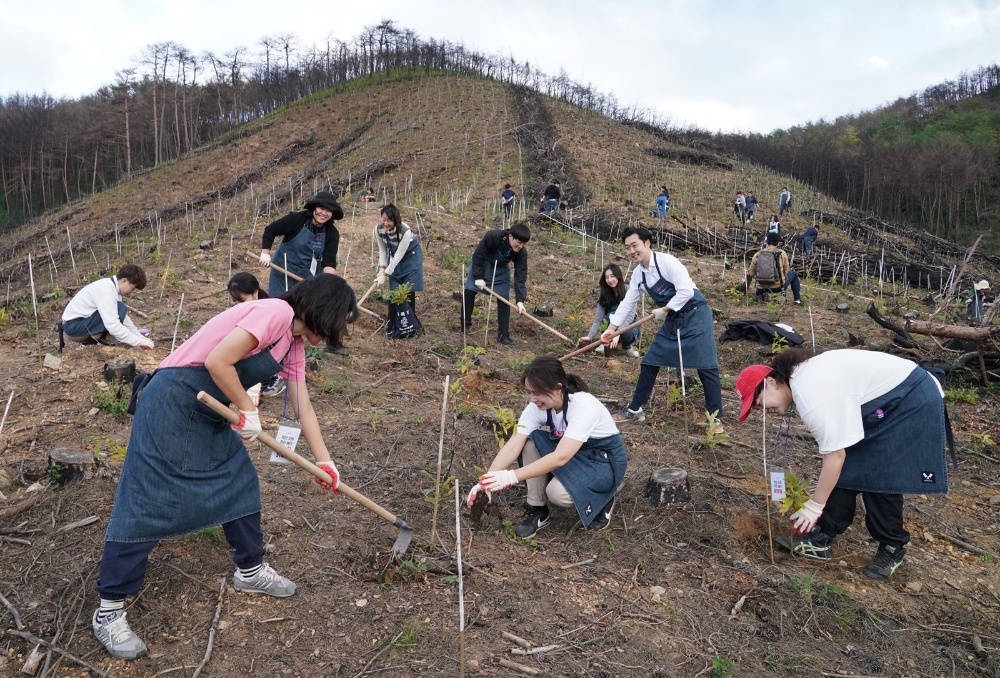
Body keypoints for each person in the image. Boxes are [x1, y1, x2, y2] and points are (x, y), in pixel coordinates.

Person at [91, 274, 358, 660]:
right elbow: (218, 360)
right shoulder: (274, 313)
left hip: (208, 413)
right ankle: (109, 610)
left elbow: (303, 405)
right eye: (340, 321)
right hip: (171, 401)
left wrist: (324, 461)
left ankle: (249, 570)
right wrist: (248, 410)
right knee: (146, 502)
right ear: (324, 310)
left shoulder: (293, 343)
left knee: (239, 482)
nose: (339, 331)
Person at [735, 348, 948, 580]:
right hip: (885, 402)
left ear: (772, 382)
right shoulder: (801, 381)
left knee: (879, 472)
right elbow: (839, 454)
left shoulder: (809, 393)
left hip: (910, 396)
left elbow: (835, 457)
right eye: (756, 410)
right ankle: (823, 536)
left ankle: (892, 547)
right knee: (853, 460)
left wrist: (814, 506)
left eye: (758, 402)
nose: (763, 411)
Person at [467, 355, 627, 538]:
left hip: (600, 460)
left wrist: (510, 476)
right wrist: (487, 481)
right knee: (529, 443)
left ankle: (604, 496)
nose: (533, 398)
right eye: (528, 392)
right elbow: (513, 444)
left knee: (557, 493)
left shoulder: (584, 405)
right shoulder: (536, 407)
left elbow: (561, 457)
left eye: (538, 392)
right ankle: (538, 509)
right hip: (572, 453)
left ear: (558, 387)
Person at [603, 226, 723, 430]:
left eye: (635, 245)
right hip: (673, 319)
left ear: (647, 243)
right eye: (627, 247)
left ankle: (715, 420)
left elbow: (685, 290)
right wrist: (612, 328)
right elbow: (627, 303)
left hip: (695, 313)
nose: (631, 251)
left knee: (706, 366)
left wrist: (665, 309)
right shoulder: (638, 275)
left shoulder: (667, 262)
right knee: (650, 361)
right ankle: (634, 410)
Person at [258, 191, 344, 298]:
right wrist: (265, 253)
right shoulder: (297, 219)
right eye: (321, 209)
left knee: (303, 309)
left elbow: (329, 262)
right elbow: (271, 230)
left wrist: (328, 281)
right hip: (283, 270)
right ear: (314, 208)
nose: (324, 213)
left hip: (308, 277)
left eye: (328, 211)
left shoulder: (332, 233)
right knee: (280, 304)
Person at [461, 223, 531, 346]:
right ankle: (464, 325)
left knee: (504, 299)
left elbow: (520, 276)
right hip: (482, 266)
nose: (520, 246)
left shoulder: (521, 252)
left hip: (500, 271)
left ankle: (503, 335)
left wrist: (520, 301)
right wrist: (478, 277)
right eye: (518, 242)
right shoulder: (493, 236)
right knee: (469, 291)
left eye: (523, 244)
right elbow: (478, 255)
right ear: (511, 236)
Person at [59, 264, 153, 352]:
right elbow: (113, 325)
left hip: (78, 324)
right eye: (132, 288)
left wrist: (142, 339)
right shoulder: (107, 290)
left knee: (119, 314)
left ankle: (95, 340)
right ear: (124, 280)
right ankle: (90, 343)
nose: (131, 292)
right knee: (119, 311)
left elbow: (125, 320)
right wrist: (138, 342)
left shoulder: (112, 288)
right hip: (73, 327)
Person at [375, 203, 424, 324]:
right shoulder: (378, 229)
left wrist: (385, 274)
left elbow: (398, 256)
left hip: (410, 256)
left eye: (390, 220)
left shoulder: (405, 231)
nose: (386, 223)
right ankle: (392, 321)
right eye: (384, 219)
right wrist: (382, 269)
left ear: (396, 220)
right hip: (395, 255)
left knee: (408, 288)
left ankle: (409, 320)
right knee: (394, 289)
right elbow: (382, 249)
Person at [578, 263, 640, 358]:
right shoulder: (604, 294)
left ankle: (627, 346)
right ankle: (605, 343)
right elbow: (599, 319)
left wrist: (617, 333)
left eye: (612, 276)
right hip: (609, 326)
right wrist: (589, 337)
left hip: (629, 325)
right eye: (607, 277)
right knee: (609, 316)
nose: (610, 280)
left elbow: (630, 315)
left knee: (627, 335)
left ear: (618, 276)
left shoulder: (629, 290)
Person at [748, 233, 802, 305]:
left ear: (766, 242)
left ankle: (763, 296)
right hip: (777, 287)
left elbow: (751, 274)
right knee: (793, 274)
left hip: (761, 288)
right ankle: (797, 300)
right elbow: (786, 271)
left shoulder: (758, 254)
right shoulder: (782, 253)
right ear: (778, 243)